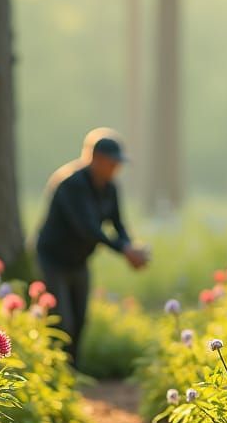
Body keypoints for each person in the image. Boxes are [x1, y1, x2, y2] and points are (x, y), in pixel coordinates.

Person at [35, 129, 148, 361]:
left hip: (79, 261)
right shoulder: (71, 184)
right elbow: (88, 229)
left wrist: (131, 246)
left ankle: (73, 372)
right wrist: (124, 250)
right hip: (53, 260)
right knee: (61, 322)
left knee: (80, 321)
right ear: (95, 158)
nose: (116, 168)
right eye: (112, 162)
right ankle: (55, 369)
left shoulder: (110, 188)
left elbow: (118, 223)